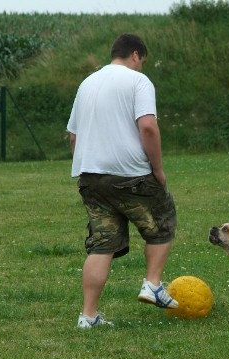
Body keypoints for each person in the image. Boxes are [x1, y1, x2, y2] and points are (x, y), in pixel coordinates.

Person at [67, 33, 178, 328]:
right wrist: (158, 169)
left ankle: (88, 317)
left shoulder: (87, 84)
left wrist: (87, 168)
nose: (141, 66)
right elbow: (148, 127)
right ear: (135, 55)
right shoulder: (138, 81)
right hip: (131, 175)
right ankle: (152, 283)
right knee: (162, 218)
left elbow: (74, 136)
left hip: (91, 177)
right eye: (142, 61)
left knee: (101, 244)